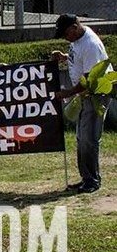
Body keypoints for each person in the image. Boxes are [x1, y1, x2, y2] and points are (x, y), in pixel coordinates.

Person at [51, 14, 111, 194]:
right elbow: (78, 58)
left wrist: (66, 93)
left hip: (95, 95)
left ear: (75, 27)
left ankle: (92, 181)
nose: (64, 37)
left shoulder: (91, 44)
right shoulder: (78, 40)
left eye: (65, 33)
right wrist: (64, 57)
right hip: (84, 95)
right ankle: (86, 178)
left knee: (89, 140)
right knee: (81, 138)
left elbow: (88, 81)